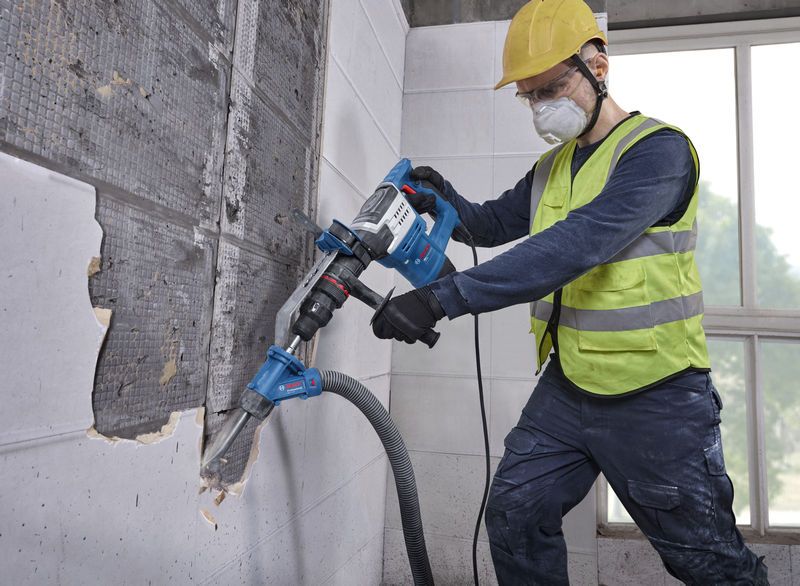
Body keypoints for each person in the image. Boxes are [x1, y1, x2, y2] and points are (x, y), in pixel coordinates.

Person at [370, 0, 768, 584]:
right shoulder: (553, 167)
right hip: (571, 385)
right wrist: (443, 200)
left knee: (704, 559)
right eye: (530, 95)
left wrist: (440, 298)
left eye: (552, 87)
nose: (540, 107)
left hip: (655, 394)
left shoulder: (658, 153)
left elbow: (574, 245)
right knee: (515, 510)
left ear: (598, 67)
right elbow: (491, 223)